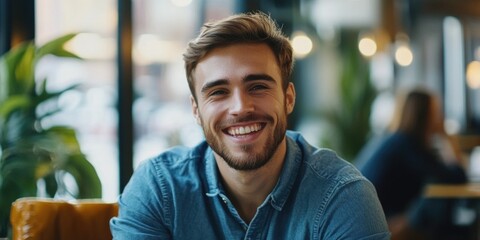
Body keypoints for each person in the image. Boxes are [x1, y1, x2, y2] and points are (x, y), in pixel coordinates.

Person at [110, 11, 390, 239]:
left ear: (288, 98)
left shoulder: (342, 196)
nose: (241, 108)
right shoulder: (159, 189)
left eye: (257, 86)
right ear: (196, 110)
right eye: (218, 92)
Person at [355, 88, 468, 239]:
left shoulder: (399, 141)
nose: (439, 117)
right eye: (436, 112)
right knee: (433, 216)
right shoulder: (406, 145)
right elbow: (455, 177)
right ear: (425, 115)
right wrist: (447, 137)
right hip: (373, 226)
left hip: (372, 220)